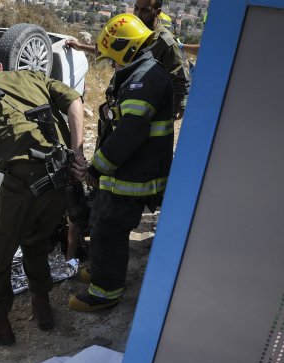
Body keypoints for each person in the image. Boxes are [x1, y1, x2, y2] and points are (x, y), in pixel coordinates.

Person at [0, 51, 85, 343]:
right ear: (0, 67)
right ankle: (42, 307)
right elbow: (75, 102)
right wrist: (77, 153)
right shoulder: (32, 75)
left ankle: (0, 322)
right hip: (61, 176)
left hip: (23, 182)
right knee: (36, 240)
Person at [68, 13, 173, 312]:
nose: (112, 64)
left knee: (108, 231)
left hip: (132, 177)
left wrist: (96, 167)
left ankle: (104, 293)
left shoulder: (145, 80)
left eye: (113, 58)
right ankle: (105, 271)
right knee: (103, 224)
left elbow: (128, 134)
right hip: (124, 173)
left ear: (126, 50)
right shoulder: (140, 72)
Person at [132, 0, 189, 119]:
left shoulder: (165, 42)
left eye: (145, 10)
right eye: (136, 8)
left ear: (157, 12)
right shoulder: (132, 33)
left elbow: (178, 77)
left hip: (151, 109)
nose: (138, 15)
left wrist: (179, 105)